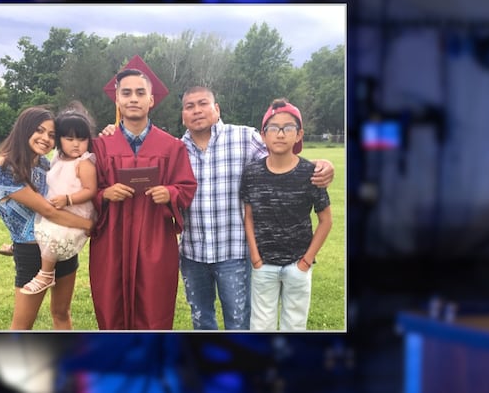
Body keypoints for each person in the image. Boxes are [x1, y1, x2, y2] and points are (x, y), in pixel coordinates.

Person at [100, 86, 335, 330]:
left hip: (233, 252)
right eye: (189, 106)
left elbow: (283, 156)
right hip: (193, 253)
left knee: (238, 321)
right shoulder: (175, 148)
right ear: (183, 116)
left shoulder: (244, 138)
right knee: (202, 321)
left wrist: (321, 164)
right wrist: (112, 131)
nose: (197, 111)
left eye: (203, 103)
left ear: (217, 109)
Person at [90, 67, 197, 330]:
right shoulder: (100, 146)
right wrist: (104, 194)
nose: (133, 99)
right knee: (110, 306)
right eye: (126, 93)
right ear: (117, 99)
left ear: (151, 100)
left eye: (140, 92)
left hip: (155, 239)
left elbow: (186, 187)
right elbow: (81, 189)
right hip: (111, 240)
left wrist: (170, 192)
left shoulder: (172, 147)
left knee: (154, 307)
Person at [0, 107, 93, 330]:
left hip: (62, 244)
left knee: (62, 313)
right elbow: (48, 211)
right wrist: (90, 226)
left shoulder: (45, 164)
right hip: (31, 252)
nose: (45, 138)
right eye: (39, 130)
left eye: (52, 135)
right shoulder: (2, 166)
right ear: (23, 130)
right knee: (22, 325)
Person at [240, 98, 332, 331]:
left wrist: (306, 261)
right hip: (264, 265)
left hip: (297, 265)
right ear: (263, 135)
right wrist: (255, 257)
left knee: (295, 324)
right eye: (273, 128)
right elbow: (248, 216)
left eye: (288, 127)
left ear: (299, 134)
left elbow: (325, 221)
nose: (280, 134)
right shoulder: (252, 173)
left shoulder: (311, 173)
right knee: (261, 325)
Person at [23, 108, 97, 295]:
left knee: (55, 235)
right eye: (69, 139)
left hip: (75, 211)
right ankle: (19, 247)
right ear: (59, 140)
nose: (76, 145)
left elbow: (90, 190)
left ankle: (46, 274)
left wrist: (68, 199)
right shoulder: (56, 158)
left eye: (81, 140)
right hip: (56, 206)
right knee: (39, 221)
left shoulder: (84, 163)